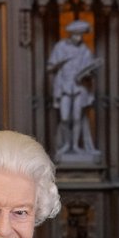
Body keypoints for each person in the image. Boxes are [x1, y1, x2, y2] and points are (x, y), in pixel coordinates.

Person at [47, 19, 103, 159]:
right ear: (70, 34)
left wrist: (87, 73)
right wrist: (60, 62)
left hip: (80, 87)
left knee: (78, 117)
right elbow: (49, 67)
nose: (79, 38)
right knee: (65, 117)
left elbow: (91, 70)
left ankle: (76, 146)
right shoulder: (60, 47)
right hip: (65, 86)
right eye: (76, 35)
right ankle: (66, 144)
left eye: (81, 35)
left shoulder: (85, 50)